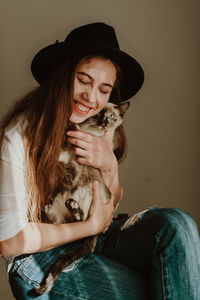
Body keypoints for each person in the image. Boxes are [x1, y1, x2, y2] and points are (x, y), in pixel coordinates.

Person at [0, 22, 199, 300]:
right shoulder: (19, 135)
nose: (91, 98)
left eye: (104, 89)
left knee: (177, 225)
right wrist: (90, 227)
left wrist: (109, 166)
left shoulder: (101, 126)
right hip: (39, 256)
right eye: (83, 80)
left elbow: (107, 204)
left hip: (93, 240)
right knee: (157, 288)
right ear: (62, 75)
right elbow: (9, 242)